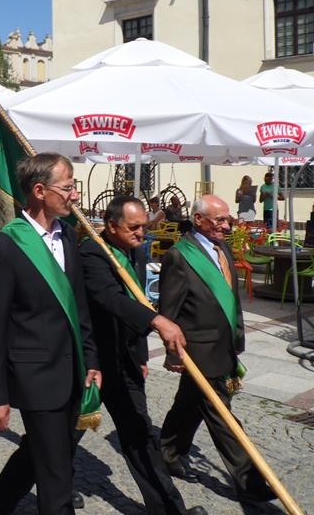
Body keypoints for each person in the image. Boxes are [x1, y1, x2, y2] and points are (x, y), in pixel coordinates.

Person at [0, 153, 100, 515]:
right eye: (68, 187)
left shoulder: (69, 238)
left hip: (73, 372)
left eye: (74, 186)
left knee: (39, 455)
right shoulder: (5, 248)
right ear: (40, 191)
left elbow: (79, 308)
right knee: (57, 476)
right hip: (36, 377)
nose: (75, 195)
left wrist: (91, 359)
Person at [80, 196, 206, 515]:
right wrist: (157, 321)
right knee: (59, 436)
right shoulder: (92, 252)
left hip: (124, 362)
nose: (141, 233)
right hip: (92, 362)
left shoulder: (135, 250)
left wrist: (140, 355)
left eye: (144, 226)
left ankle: (169, 510)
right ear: (112, 226)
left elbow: (136, 300)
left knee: (140, 435)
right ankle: (35, 489)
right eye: (134, 227)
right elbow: (110, 299)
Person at [159, 195, 277, 506]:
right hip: (199, 351)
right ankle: (250, 481)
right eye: (220, 220)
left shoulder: (221, 248)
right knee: (222, 416)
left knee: (188, 404)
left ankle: (168, 451)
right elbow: (168, 311)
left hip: (223, 347)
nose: (227, 226)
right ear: (198, 220)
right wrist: (172, 353)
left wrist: (237, 337)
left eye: (228, 219)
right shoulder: (179, 256)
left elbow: (231, 299)